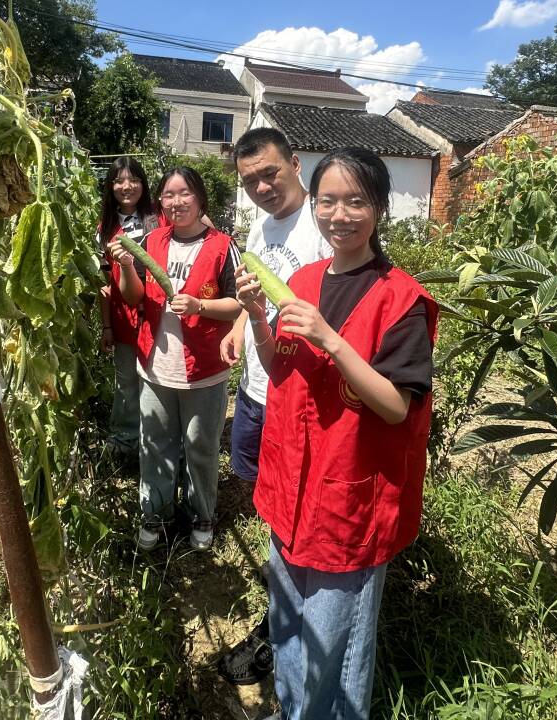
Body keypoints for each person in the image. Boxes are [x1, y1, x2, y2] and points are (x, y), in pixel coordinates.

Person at [236, 147, 438, 720]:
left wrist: (331, 338)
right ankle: (291, 708)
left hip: (349, 500)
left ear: (379, 208)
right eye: (328, 200)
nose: (339, 214)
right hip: (291, 488)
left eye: (356, 201)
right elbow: (281, 371)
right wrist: (255, 318)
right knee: (287, 625)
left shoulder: (402, 299)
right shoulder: (301, 278)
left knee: (336, 648)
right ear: (315, 203)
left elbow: (397, 406)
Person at [218, 127, 329, 686]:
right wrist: (240, 323)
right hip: (258, 388)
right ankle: (281, 576)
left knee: (295, 508)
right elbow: (257, 288)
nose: (262, 187)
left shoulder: (324, 228)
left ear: (296, 162)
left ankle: (280, 626)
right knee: (262, 492)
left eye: (270, 174)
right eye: (250, 180)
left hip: (298, 396)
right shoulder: (263, 226)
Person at [109, 165, 242, 551]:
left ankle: (202, 514)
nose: (176, 202)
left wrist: (200, 303)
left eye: (185, 194)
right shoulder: (150, 241)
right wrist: (126, 266)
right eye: (169, 195)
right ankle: (155, 514)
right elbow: (133, 297)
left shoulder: (222, 245)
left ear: (200, 198)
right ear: (161, 201)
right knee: (155, 445)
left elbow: (237, 305)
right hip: (155, 365)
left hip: (203, 369)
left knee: (200, 448)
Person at [97, 157, 159, 458]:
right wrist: (107, 325)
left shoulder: (159, 219)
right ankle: (124, 442)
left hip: (158, 315)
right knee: (126, 382)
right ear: (111, 187)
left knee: (156, 379)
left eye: (133, 179)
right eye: (119, 180)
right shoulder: (105, 228)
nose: (126, 186)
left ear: (143, 185)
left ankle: (155, 440)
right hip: (123, 317)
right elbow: (105, 284)